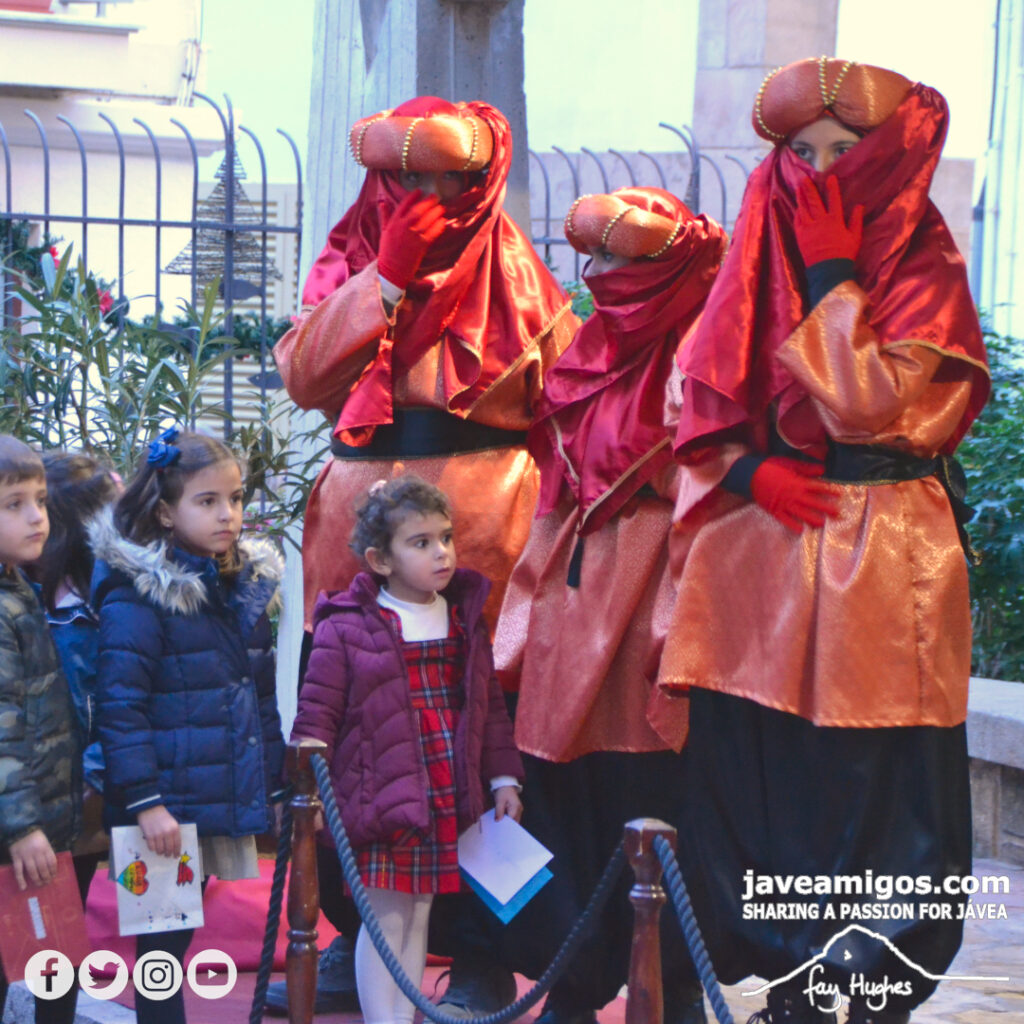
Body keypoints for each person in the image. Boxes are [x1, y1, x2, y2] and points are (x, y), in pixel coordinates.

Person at [658, 58, 990, 1024]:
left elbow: (865, 403)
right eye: (801, 153)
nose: (820, 172)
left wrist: (835, 276)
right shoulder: (758, 253)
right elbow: (692, 406)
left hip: (888, 561)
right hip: (768, 564)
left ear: (887, 153)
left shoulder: (924, 267)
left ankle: (866, 989)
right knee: (775, 775)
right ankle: (794, 985)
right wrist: (745, 473)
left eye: (843, 149)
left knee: (877, 786)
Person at [271, 94, 574, 1014]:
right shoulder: (349, 255)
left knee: (475, 734)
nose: (421, 197)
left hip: (483, 529)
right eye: (403, 178)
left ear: (476, 182)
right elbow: (305, 375)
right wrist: (386, 280)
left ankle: (481, 953)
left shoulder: (519, 276)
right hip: (354, 529)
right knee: (357, 731)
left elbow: (566, 400)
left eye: (442, 179)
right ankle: (359, 930)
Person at [493, 189, 726, 1024]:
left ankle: (679, 982)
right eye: (595, 259)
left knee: (670, 789)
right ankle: (570, 977)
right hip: (575, 586)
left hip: (670, 588)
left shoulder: (709, 350)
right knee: (566, 790)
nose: (600, 276)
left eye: (623, 260)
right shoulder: (585, 351)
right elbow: (555, 490)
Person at [290, 475, 524, 1024]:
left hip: (441, 790)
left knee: (418, 913)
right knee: (385, 918)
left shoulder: (463, 619)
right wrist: (308, 790)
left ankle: (402, 1015)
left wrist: (503, 778)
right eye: (421, 543)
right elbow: (316, 714)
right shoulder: (345, 626)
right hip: (378, 792)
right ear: (380, 560)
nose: (441, 552)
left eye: (445, 537)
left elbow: (488, 707)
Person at [91, 428, 286, 1024]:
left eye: (236, 498)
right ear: (165, 512)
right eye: (208, 501)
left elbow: (259, 697)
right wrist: (146, 803)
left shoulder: (238, 588)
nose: (229, 514)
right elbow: (120, 707)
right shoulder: (136, 596)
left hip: (208, 793)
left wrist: (275, 785)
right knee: (161, 951)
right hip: (160, 810)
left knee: (175, 945)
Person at [0, 435, 83, 1024]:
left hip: (37, 821)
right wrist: (23, 825)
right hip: (17, 830)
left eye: (41, 500)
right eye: (14, 504)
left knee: (56, 964)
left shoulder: (17, 590)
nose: (37, 517)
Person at [31, 451, 121, 856]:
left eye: (39, 505)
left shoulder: (105, 609)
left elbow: (125, 704)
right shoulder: (23, 597)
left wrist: (91, 778)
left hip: (85, 793)